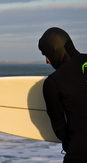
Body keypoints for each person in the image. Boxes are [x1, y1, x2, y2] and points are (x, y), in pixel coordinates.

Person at [38, 27, 87, 163]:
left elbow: (61, 131)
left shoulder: (53, 82)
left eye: (45, 54)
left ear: (54, 50)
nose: (47, 61)